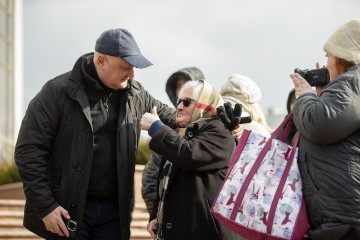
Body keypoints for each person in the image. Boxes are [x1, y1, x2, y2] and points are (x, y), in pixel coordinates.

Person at [14, 28, 178, 240]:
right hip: (66, 212)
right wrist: (45, 206)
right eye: (125, 68)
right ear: (100, 60)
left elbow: (177, 118)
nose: (132, 75)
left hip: (113, 215)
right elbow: (29, 150)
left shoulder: (137, 94)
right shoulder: (55, 92)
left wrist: (215, 116)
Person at [141, 79, 243, 240]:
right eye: (179, 101)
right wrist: (157, 216)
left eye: (187, 102)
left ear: (205, 104)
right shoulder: (183, 132)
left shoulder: (220, 131)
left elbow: (189, 155)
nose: (179, 106)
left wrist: (156, 128)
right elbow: (166, 181)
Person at [290, 18, 360, 240]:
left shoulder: (351, 83)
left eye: (329, 56)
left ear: (341, 57)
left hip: (343, 217)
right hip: (339, 213)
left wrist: (305, 96)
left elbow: (318, 124)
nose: (326, 62)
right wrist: (320, 96)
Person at [141, 67, 205, 214]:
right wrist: (157, 216)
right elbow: (151, 178)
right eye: (178, 86)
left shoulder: (214, 130)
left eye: (187, 85)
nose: (180, 90)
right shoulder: (170, 126)